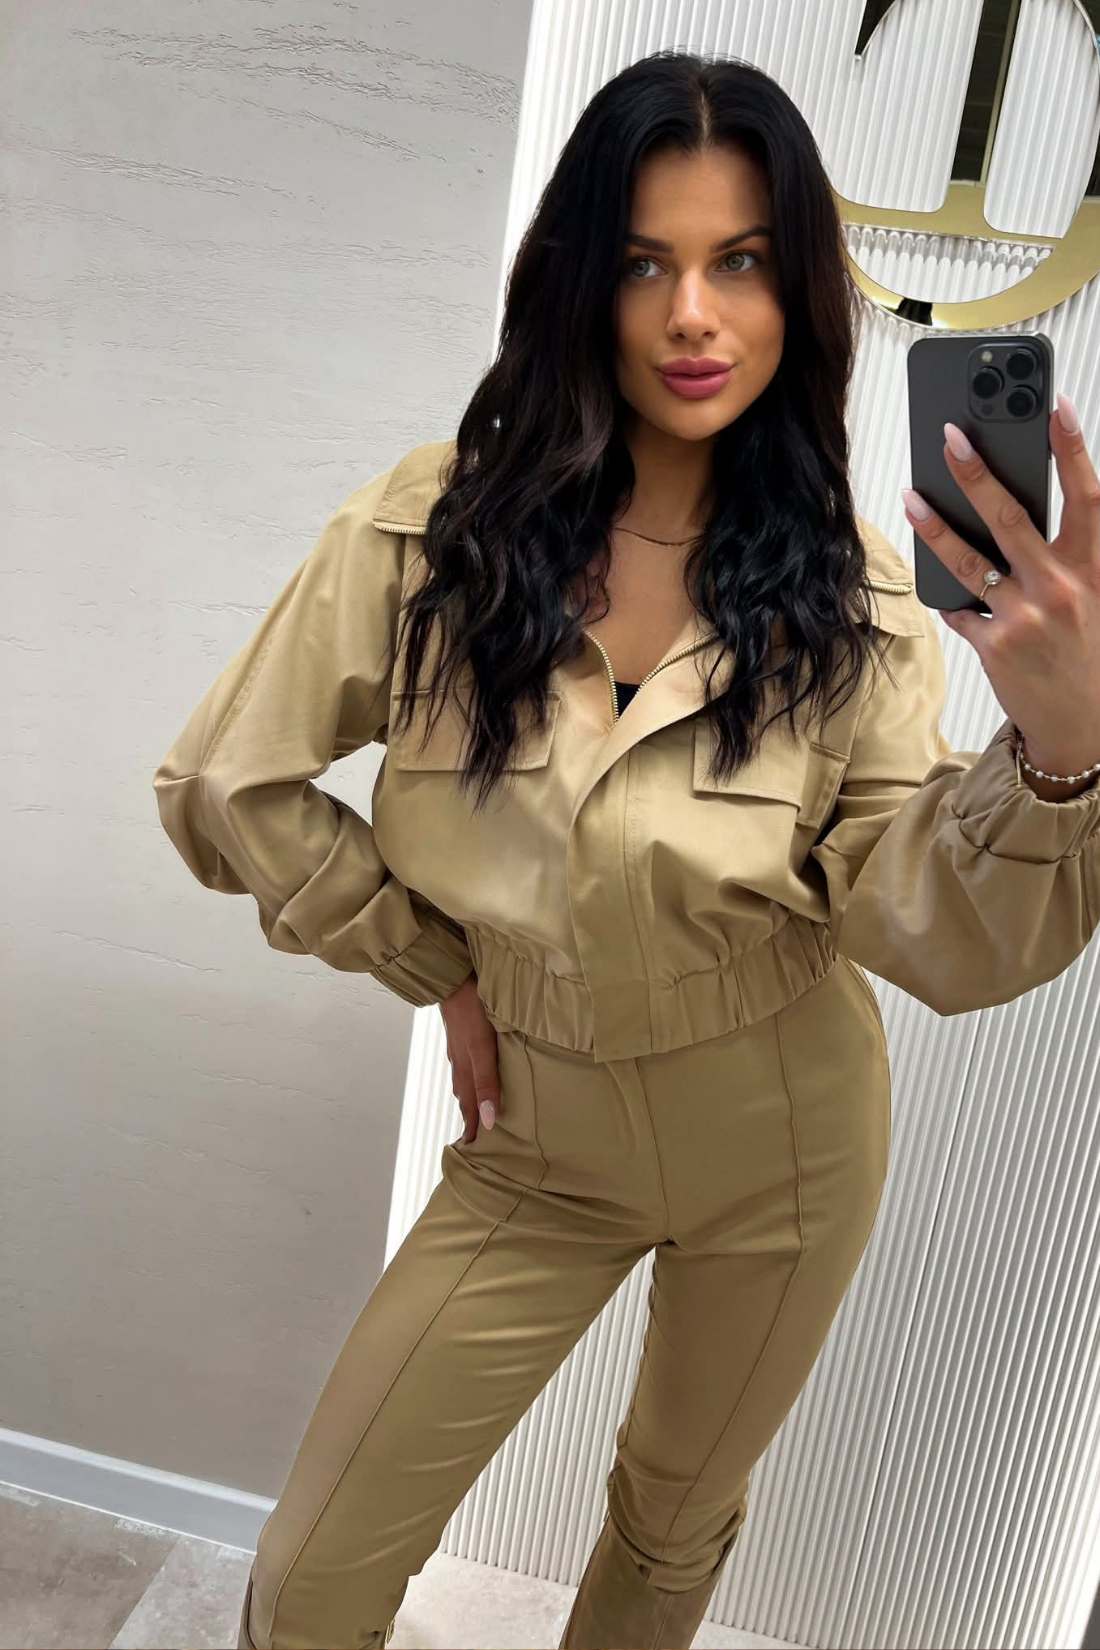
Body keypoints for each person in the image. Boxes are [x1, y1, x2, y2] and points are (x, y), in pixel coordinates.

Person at [151, 49, 1100, 1650]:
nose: (692, 316)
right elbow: (226, 781)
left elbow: (927, 931)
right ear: (581, 276)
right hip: (534, 1134)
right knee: (311, 1577)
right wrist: (438, 965)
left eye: (742, 261)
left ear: (800, 293)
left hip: (786, 1135)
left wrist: (1064, 748)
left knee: (670, 1528)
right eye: (648, 261)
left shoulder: (860, 599)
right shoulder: (431, 537)